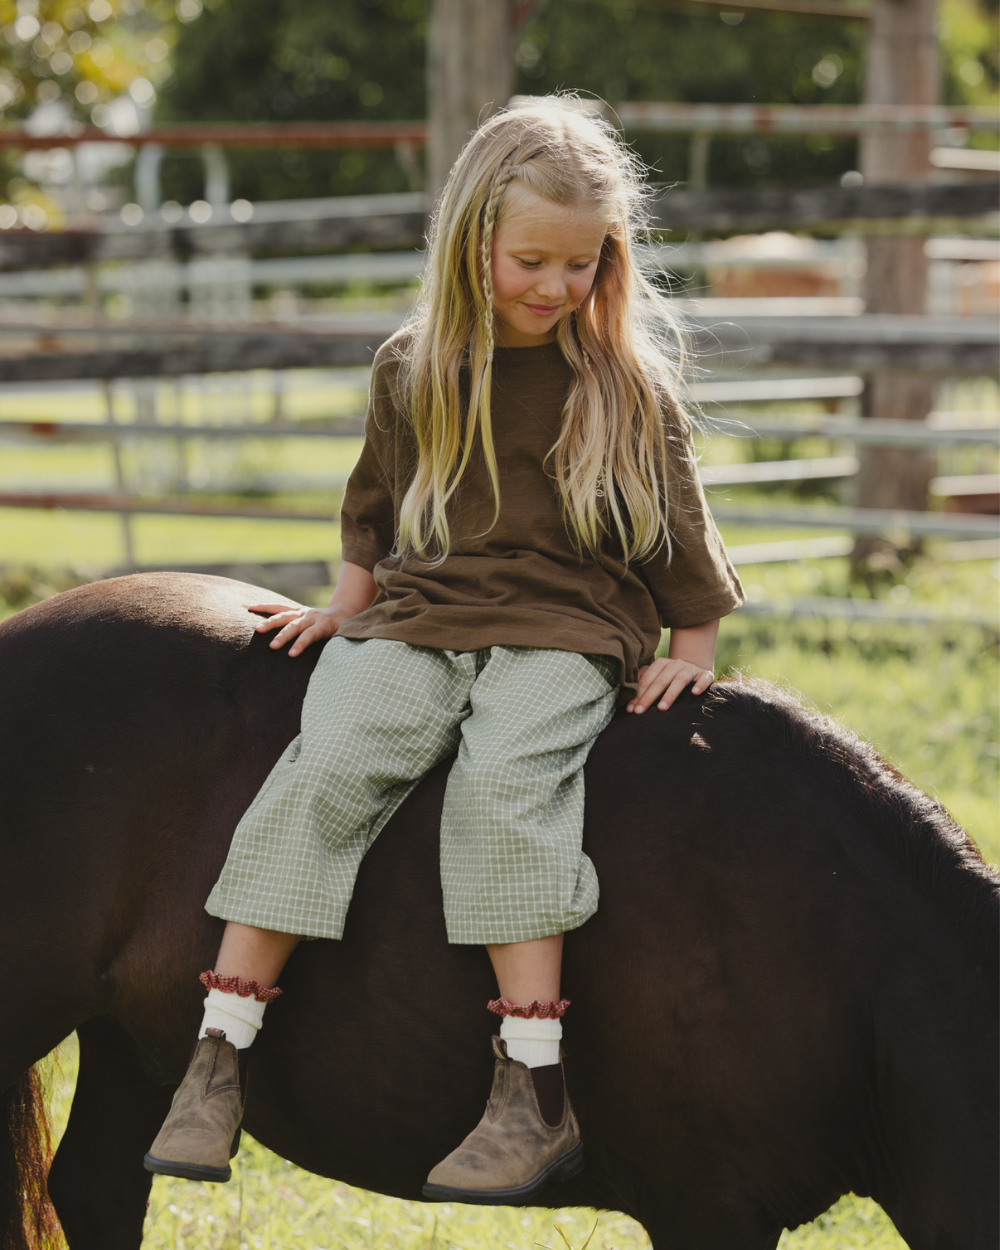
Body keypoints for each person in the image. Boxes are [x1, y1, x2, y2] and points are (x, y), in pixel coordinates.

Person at [144, 95, 745, 1203]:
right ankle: (219, 1052)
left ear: (609, 257)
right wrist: (346, 604)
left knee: (506, 788)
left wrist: (692, 645)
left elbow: (681, 536)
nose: (555, 286)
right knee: (327, 765)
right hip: (423, 613)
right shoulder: (414, 367)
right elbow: (374, 504)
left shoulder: (624, 386)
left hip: (567, 627)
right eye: (531, 261)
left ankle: (532, 1089)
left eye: (580, 263)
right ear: (474, 243)